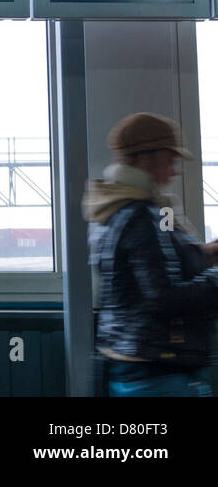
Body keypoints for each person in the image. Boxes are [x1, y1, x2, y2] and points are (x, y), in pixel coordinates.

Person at [83, 112, 218, 396]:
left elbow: (163, 262)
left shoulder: (117, 207)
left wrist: (208, 254)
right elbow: (162, 297)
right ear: (146, 158)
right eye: (170, 160)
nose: (175, 171)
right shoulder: (141, 215)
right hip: (157, 368)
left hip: (138, 361)